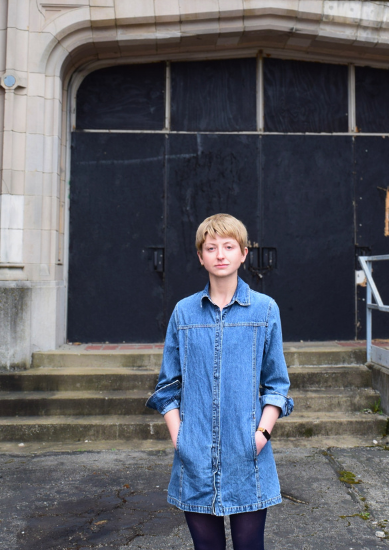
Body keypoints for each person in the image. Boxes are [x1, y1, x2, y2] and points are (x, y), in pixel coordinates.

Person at [146, 213, 294, 550]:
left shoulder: (265, 310)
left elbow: (276, 384)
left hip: (248, 456)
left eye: (229, 246)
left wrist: (262, 434)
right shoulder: (184, 313)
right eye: (211, 248)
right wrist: (179, 438)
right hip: (195, 455)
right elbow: (167, 386)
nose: (220, 254)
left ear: (243, 253)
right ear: (201, 257)